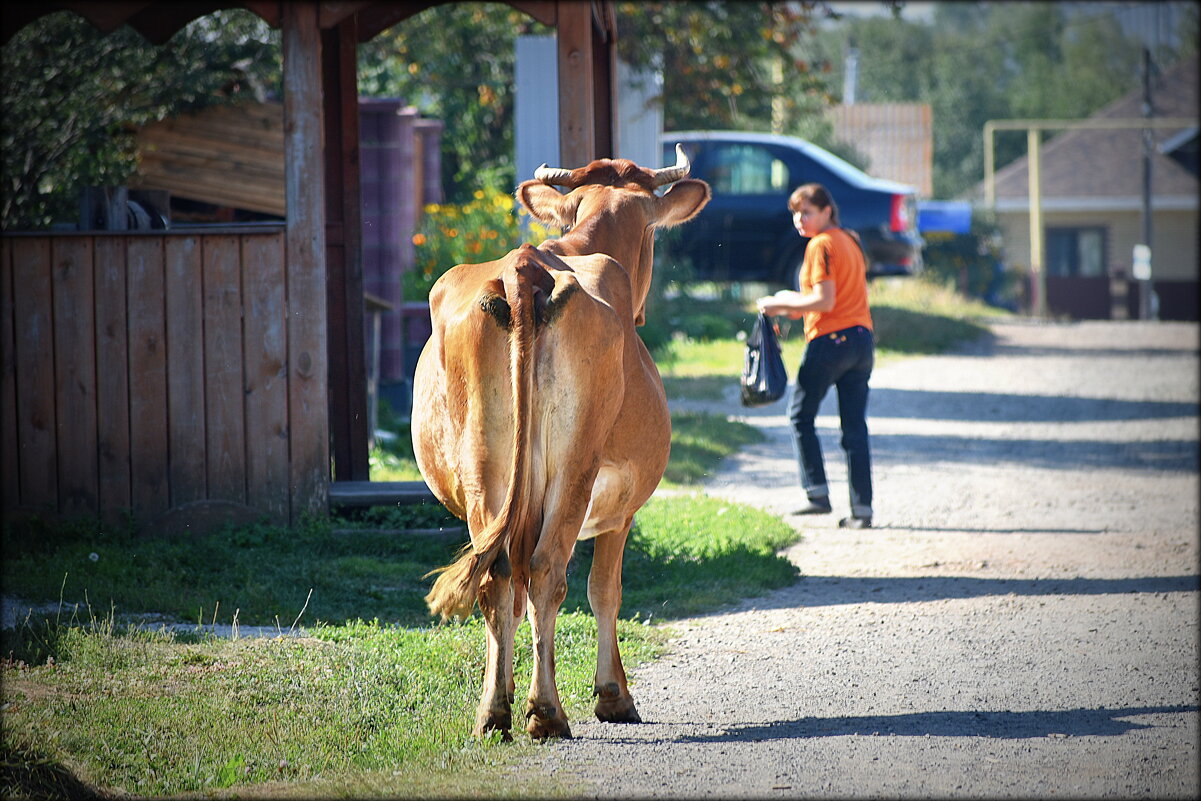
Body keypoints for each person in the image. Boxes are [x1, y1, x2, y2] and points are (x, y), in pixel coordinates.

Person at [757, 183, 875, 529]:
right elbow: (834, 297)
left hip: (831, 341)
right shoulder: (849, 240)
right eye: (795, 212)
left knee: (800, 415)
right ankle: (862, 509)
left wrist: (776, 304)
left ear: (826, 211)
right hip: (862, 340)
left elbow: (824, 301)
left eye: (806, 211)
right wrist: (795, 306)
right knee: (854, 427)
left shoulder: (821, 244)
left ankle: (817, 494)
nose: (799, 219)